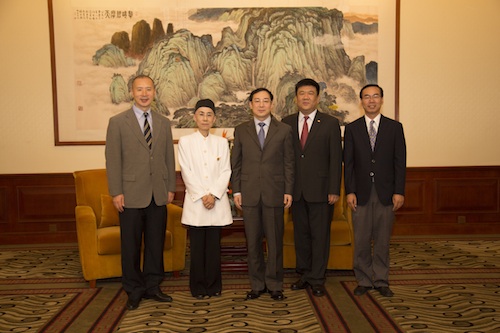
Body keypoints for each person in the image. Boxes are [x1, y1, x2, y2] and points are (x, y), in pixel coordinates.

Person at [105, 74, 176, 310]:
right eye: (139, 90)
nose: (144, 94)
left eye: (148, 89)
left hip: (158, 193)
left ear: (154, 92)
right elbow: (113, 160)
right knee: (131, 245)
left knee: (155, 244)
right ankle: (134, 289)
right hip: (130, 193)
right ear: (132, 93)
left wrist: (170, 187)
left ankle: (153, 286)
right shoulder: (117, 122)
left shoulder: (164, 123)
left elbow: (168, 157)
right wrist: (116, 192)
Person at [231, 88, 294, 301]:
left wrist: (288, 191)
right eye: (256, 101)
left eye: (265, 101)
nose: (261, 104)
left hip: (275, 193)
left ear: (271, 104)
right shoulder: (241, 130)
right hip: (248, 194)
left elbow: (288, 163)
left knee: (275, 242)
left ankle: (275, 285)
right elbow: (236, 164)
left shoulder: (284, 130)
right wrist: (236, 190)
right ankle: (257, 285)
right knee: (253, 243)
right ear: (250, 104)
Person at [344, 84, 406, 297]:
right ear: (361, 101)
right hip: (359, 193)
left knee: (382, 239)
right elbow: (349, 163)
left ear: (381, 100)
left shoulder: (394, 127)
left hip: (386, 192)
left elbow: (400, 162)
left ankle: (381, 279)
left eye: (375, 97)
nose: (371, 100)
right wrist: (349, 191)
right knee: (361, 239)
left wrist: (399, 191)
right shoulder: (352, 128)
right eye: (367, 97)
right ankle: (363, 279)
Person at [282, 78, 342, 297]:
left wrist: (334, 189)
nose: (306, 97)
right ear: (296, 98)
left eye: (310, 93)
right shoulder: (286, 122)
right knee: (302, 235)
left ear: (317, 98)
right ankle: (304, 275)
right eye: (301, 93)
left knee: (320, 235)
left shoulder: (330, 123)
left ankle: (318, 278)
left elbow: (336, 158)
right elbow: (284, 158)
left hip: (322, 190)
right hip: (296, 191)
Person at [178, 99, 233, 299]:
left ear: (214, 119)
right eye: (201, 114)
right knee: (197, 248)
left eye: (209, 114)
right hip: (196, 202)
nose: (205, 118)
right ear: (195, 117)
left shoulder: (221, 142)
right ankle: (198, 287)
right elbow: (186, 171)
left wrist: (214, 194)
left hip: (216, 202)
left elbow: (226, 170)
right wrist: (203, 195)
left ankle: (214, 285)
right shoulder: (185, 142)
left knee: (213, 247)